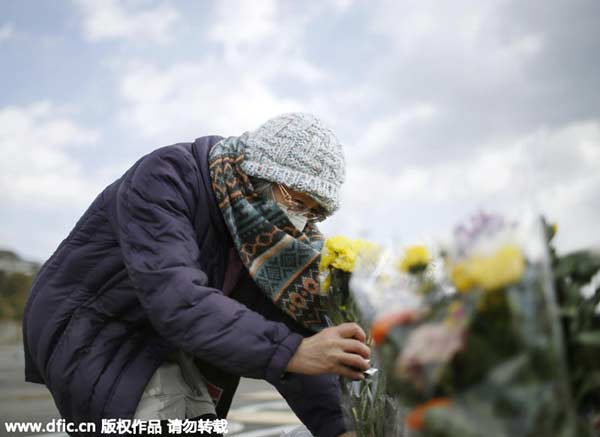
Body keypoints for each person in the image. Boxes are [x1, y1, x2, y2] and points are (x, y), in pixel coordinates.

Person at [22, 112, 370, 437]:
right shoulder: (165, 177)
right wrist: (293, 351)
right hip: (98, 326)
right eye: (295, 200)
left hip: (177, 334)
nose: (299, 220)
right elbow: (176, 295)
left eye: (312, 212)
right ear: (260, 172)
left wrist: (341, 427)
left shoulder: (260, 232)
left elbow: (292, 332)